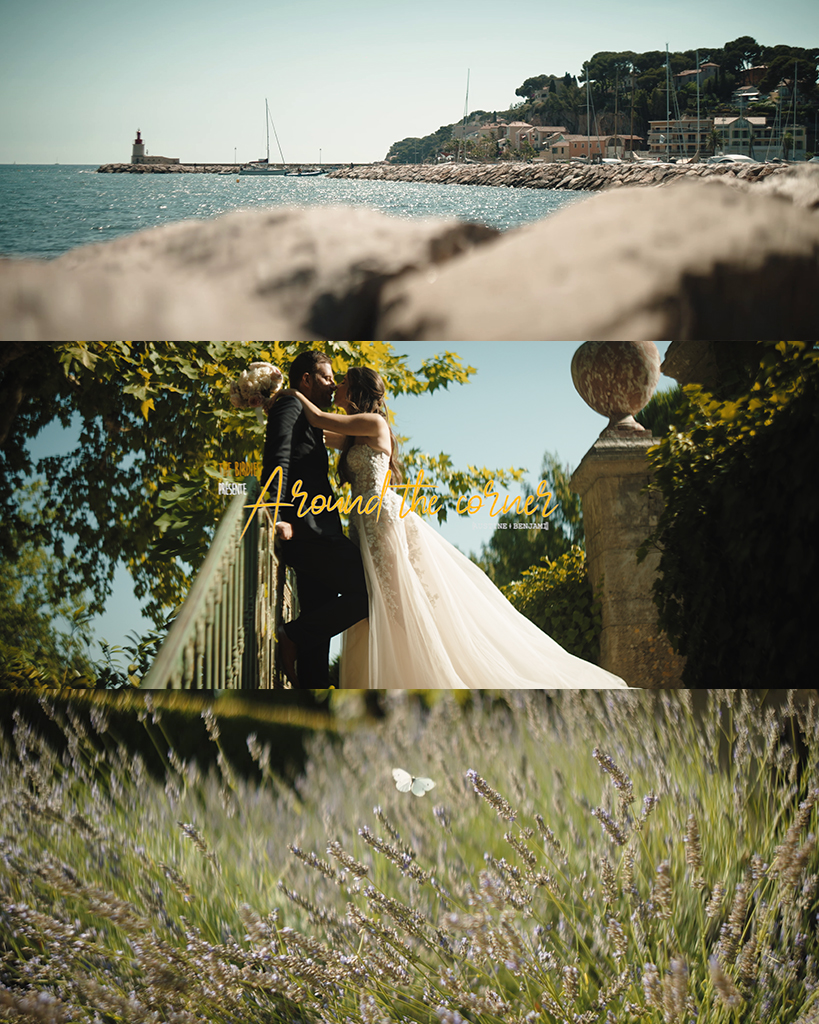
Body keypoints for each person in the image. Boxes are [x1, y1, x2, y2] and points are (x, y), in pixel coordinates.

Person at [282, 366, 628, 689]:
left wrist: (286, 393)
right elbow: (318, 431)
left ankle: (438, 671)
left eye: (342, 382)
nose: (337, 386)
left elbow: (317, 417)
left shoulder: (373, 424)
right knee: (377, 602)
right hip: (362, 524)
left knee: (395, 601)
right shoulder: (354, 435)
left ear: (355, 389)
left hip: (382, 521)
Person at [259, 351, 368, 687]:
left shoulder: (309, 416)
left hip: (319, 533)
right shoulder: (289, 406)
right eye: (325, 377)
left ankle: (312, 690)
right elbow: (277, 460)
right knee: (372, 592)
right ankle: (291, 636)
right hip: (307, 534)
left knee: (318, 639)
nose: (333, 383)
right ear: (305, 379)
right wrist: (277, 515)